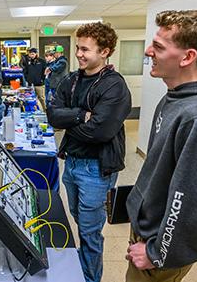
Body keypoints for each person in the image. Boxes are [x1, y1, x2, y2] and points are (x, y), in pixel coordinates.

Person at [125, 10, 197, 282]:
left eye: (158, 46)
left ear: (187, 57)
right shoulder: (175, 99)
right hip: (147, 231)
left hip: (159, 249)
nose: (147, 51)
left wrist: (158, 254)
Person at [46, 22, 132, 282]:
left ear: (105, 51)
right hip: (71, 164)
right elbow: (52, 115)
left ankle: (90, 279)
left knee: (90, 233)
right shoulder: (72, 79)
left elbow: (100, 132)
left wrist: (68, 123)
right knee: (80, 222)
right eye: (78, 48)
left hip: (96, 169)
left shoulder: (114, 86)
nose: (79, 54)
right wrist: (82, 115)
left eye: (86, 49)